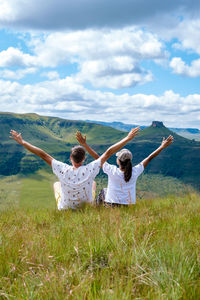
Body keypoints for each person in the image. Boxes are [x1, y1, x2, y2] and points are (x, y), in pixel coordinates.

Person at [9, 127, 140, 209]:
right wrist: (127, 138)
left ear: (71, 158)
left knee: (56, 184)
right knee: (93, 183)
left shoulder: (62, 169)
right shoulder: (91, 169)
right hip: (86, 208)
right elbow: (109, 152)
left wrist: (23, 142)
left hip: (66, 209)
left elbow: (42, 154)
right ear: (84, 159)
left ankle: (63, 202)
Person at [76, 131, 174, 207]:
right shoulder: (135, 171)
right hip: (128, 207)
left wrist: (84, 144)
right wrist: (162, 147)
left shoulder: (112, 170)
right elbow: (149, 157)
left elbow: (98, 157)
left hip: (111, 206)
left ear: (118, 161)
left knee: (103, 191)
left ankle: (96, 211)